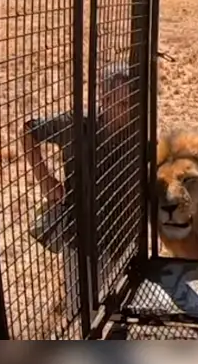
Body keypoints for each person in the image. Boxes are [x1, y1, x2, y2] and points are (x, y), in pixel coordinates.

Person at [21, 62, 139, 322]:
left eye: (132, 105)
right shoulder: (76, 125)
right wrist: (45, 179)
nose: (128, 112)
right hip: (84, 239)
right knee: (86, 315)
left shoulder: (137, 133)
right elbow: (29, 130)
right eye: (121, 105)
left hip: (124, 238)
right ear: (105, 100)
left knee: (121, 311)